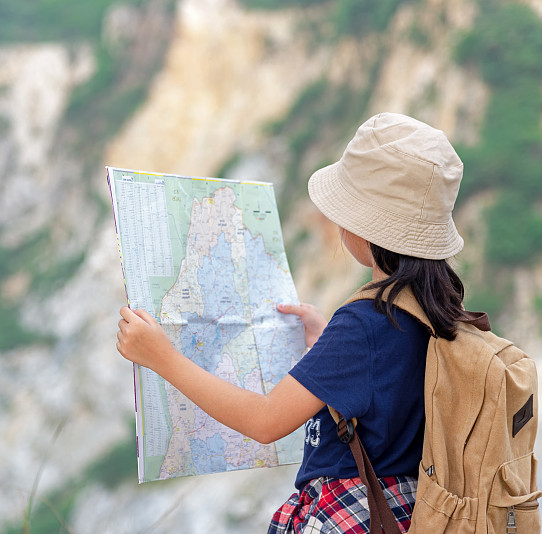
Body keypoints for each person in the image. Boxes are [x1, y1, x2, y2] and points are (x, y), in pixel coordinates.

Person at [116, 112, 468, 533]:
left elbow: (265, 422)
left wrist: (162, 357)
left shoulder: (364, 324)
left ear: (366, 227)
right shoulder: (439, 308)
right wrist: (326, 343)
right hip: (408, 512)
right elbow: (384, 399)